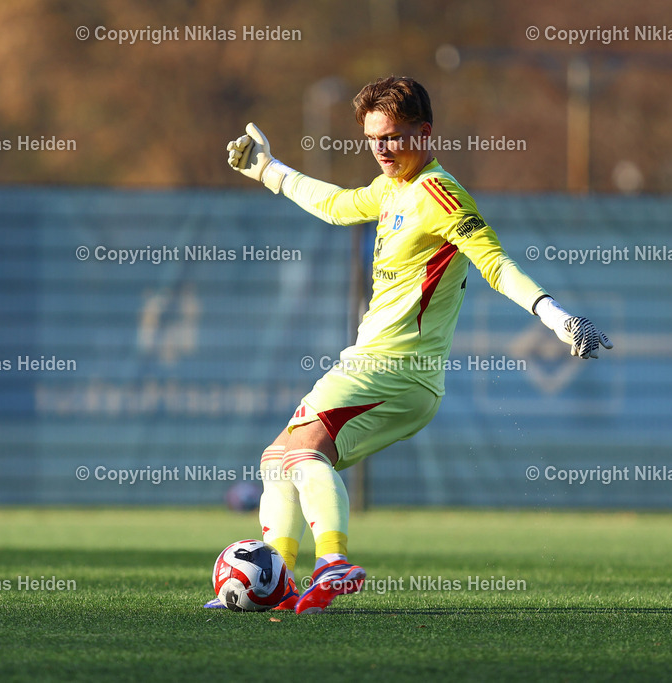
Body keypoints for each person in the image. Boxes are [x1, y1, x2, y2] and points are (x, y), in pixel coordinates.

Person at [208, 76, 611, 615]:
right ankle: (278, 583)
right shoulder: (391, 188)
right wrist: (268, 170)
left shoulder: (440, 193)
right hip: (375, 366)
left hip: (396, 369)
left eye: (393, 136)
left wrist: (559, 319)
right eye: (373, 139)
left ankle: (332, 564)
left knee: (303, 454)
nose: (382, 149)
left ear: (425, 132)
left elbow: (495, 263)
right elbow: (337, 205)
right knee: (277, 462)